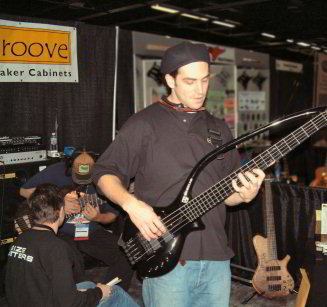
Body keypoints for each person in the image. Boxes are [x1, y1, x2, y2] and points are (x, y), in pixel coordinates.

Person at [92, 42, 266, 307]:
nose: (200, 90)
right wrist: (131, 204)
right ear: (170, 80)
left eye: (205, 80)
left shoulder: (219, 128)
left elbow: (227, 194)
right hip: (166, 259)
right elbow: (104, 171)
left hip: (217, 259)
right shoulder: (144, 123)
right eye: (190, 81)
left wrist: (244, 195)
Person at [6, 183, 138, 307]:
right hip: (57, 303)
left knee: (87, 284)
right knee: (115, 292)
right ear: (62, 211)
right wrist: (100, 293)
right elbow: (70, 303)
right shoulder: (57, 248)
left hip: (32, 300)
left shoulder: (21, 239)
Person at [19, 151, 134, 291]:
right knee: (71, 261)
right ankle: (75, 298)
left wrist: (97, 217)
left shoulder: (107, 177)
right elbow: (24, 191)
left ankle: (109, 295)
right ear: (70, 167)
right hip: (59, 232)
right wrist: (58, 203)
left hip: (90, 232)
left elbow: (111, 215)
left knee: (127, 254)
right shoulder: (57, 170)